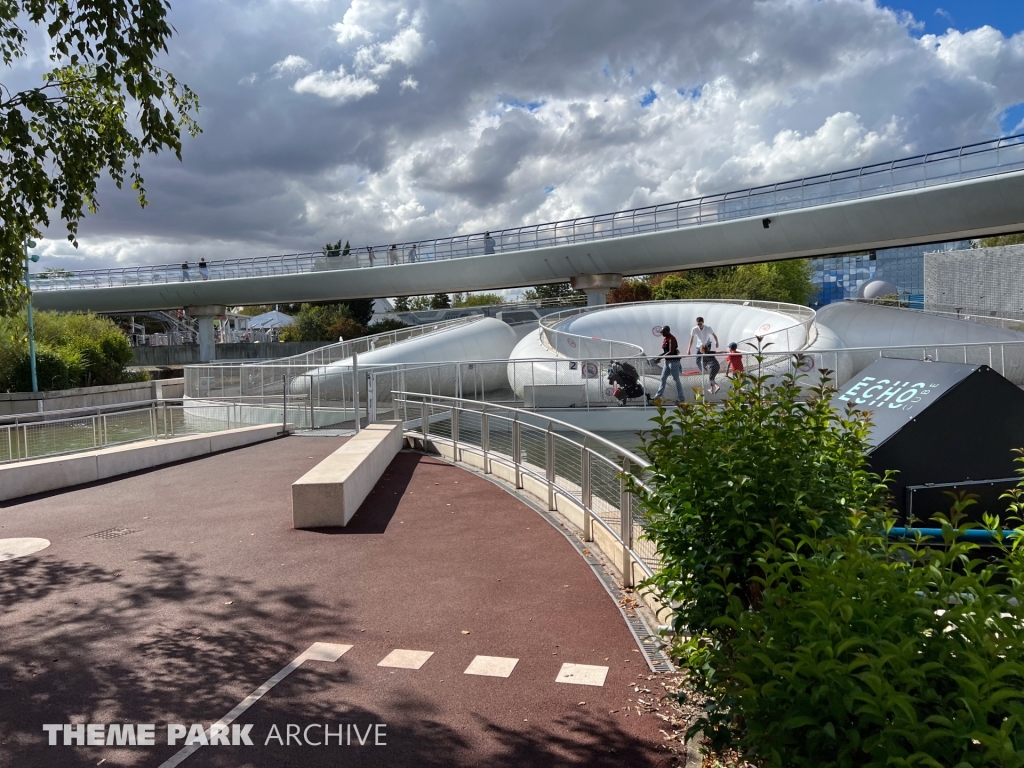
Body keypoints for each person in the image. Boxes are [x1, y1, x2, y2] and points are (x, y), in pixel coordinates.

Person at [652, 325, 684, 403]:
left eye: (663, 332)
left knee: (676, 379)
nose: (662, 333)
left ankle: (681, 398)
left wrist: (660, 358)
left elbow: (671, 352)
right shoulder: (666, 339)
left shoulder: (671, 339)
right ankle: (658, 397)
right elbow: (666, 352)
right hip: (667, 362)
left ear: (667, 331)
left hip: (673, 362)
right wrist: (658, 357)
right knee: (663, 378)